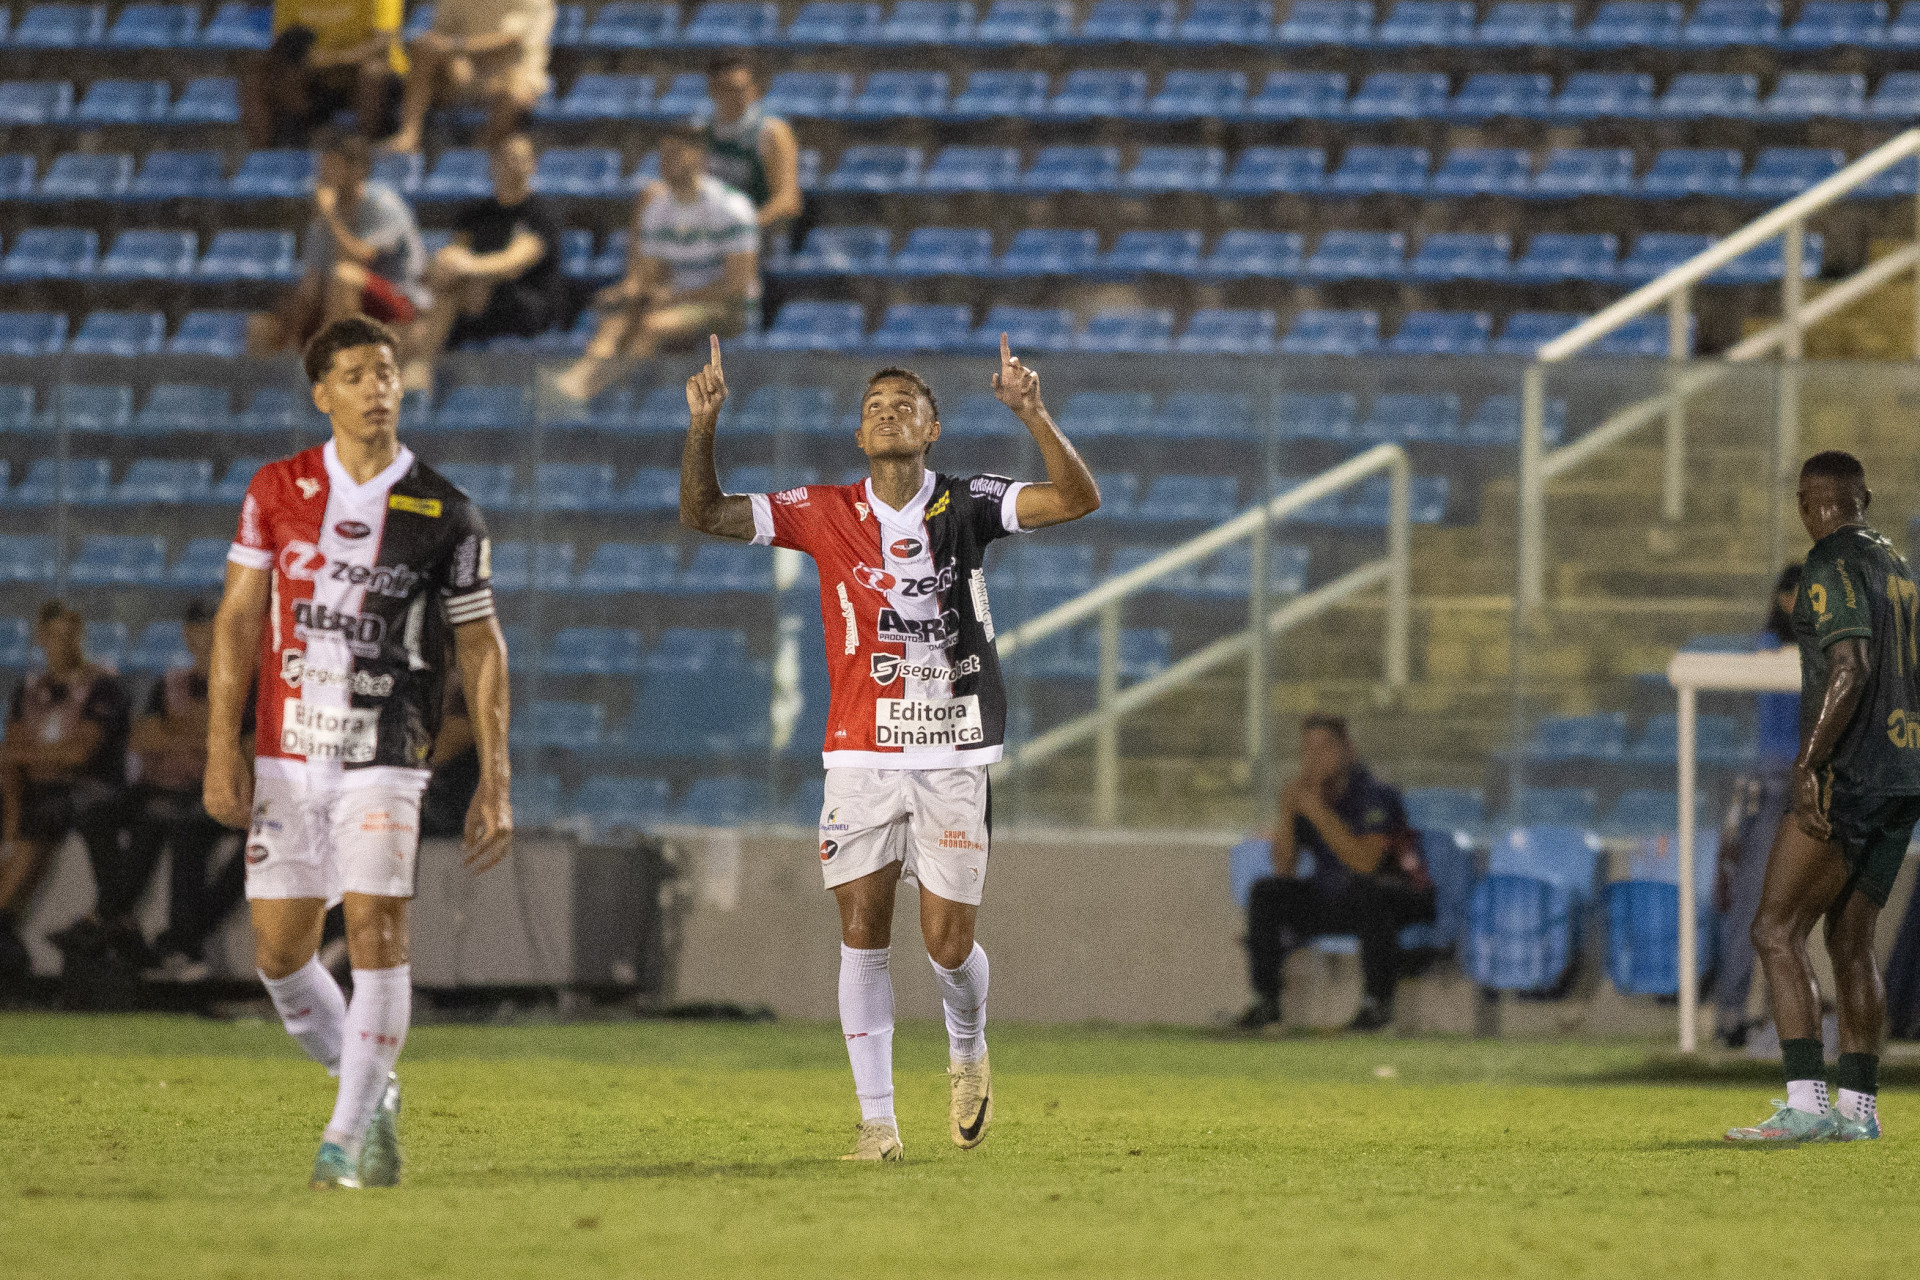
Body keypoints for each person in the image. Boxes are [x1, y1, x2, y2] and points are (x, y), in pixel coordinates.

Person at [680, 333, 1100, 1161]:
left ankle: (968, 1043)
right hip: (862, 752)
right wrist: (704, 426)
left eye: (904, 404)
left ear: (932, 428)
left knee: (946, 944)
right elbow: (704, 512)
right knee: (862, 930)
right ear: (860, 434)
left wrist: (1033, 412)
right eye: (874, 407)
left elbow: (1076, 499)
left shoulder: (968, 502)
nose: (887, 413)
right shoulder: (823, 511)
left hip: (952, 748)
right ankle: (878, 1125)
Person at [204, 316, 514, 1188]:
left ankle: (340, 1144)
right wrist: (221, 747)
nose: (377, 386)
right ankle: (371, 1089)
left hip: (387, 751)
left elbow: (483, 646)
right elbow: (236, 621)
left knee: (378, 930)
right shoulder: (276, 489)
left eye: (386, 371)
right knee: (278, 956)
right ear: (322, 393)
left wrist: (497, 773)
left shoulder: (446, 512)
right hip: (286, 757)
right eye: (355, 374)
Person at [1726, 451, 1918, 1144]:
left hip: (1851, 773)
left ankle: (1807, 1105)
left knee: (1774, 929)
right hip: (1904, 772)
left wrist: (1809, 764)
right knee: (1850, 937)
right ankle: (1858, 1113)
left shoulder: (1830, 562)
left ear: (1809, 502)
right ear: (1862, 497)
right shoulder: (1897, 566)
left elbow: (1850, 663)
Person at [1237, 713, 1435, 1034]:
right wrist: (1287, 811)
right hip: (1341, 900)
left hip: (1400, 897)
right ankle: (1265, 1002)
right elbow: (1284, 869)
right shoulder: (1310, 798)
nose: (1316, 758)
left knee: (1369, 890)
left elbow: (1367, 863)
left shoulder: (1376, 795)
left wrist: (1318, 813)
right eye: (1308, 750)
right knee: (1267, 891)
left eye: (1326, 747)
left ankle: (1377, 1005)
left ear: (1349, 751)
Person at [553, 126, 759, 403]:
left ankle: (588, 394)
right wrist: (634, 294)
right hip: (676, 301)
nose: (666, 162)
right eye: (663, 154)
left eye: (675, 153)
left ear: (698, 157)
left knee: (653, 325)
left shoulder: (732, 207)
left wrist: (674, 297)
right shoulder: (657, 209)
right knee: (616, 320)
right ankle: (576, 382)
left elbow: (736, 287)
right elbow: (651, 275)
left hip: (727, 309)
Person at [0, 603, 131, 981]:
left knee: (42, 817)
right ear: (41, 638)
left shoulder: (103, 687)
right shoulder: (29, 689)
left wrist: (33, 754)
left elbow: (80, 754)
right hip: (37, 790)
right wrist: (10, 816)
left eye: (70, 636)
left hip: (88, 791)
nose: (63, 645)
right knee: (26, 815)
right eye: (55, 636)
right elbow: (10, 758)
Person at [126, 601, 247, 983]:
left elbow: (246, 747)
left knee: (252, 844)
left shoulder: (249, 681)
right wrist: (206, 732)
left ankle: (181, 940)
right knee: (180, 825)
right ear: (186, 634)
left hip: (241, 797)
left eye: (213, 627)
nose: (206, 636)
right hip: (179, 792)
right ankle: (158, 938)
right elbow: (141, 738)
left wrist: (176, 732)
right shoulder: (170, 683)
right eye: (198, 628)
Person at [400, 132, 569, 392]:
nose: (510, 164)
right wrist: (447, 264)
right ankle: (417, 381)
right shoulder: (475, 213)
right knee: (415, 315)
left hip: (525, 306)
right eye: (504, 158)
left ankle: (420, 370)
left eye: (518, 158)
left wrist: (465, 265)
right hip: (471, 305)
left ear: (532, 164)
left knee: (467, 285)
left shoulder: (540, 213)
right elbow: (452, 256)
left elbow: (514, 262)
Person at [1712, 564, 1802, 1049]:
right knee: (1753, 901)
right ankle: (1731, 1010)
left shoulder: (1820, 646)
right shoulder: (1769, 648)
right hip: (1773, 783)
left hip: (1808, 781)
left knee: (1796, 910)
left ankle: (1785, 1016)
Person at [250, 133, 430, 359]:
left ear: (359, 170)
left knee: (343, 276)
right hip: (343, 305)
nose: (324, 175)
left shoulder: (383, 205)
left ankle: (333, 368)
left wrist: (329, 216)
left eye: (334, 166)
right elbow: (311, 286)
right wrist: (290, 325)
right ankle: (283, 389)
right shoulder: (323, 221)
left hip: (399, 303)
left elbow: (359, 258)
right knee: (261, 326)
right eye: (323, 167)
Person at [385, 0, 555, 153]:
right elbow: (441, 32)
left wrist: (456, 45)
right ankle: (409, 135)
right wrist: (449, 50)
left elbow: (508, 39)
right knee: (425, 49)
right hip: (468, 69)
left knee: (515, 94)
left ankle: (479, 153)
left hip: (515, 72)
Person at [242, 0, 405, 148]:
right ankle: (265, 158)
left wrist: (336, 59)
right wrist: (312, 61)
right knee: (259, 75)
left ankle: (367, 151)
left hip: (369, 76)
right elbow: (283, 44)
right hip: (315, 77)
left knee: (373, 71)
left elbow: (382, 43)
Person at [703, 54, 804, 239]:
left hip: (761, 232)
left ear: (755, 90)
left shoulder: (772, 133)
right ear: (713, 90)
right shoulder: (701, 131)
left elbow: (788, 199)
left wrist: (745, 229)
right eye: (728, 89)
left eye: (742, 89)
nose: (737, 97)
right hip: (711, 233)